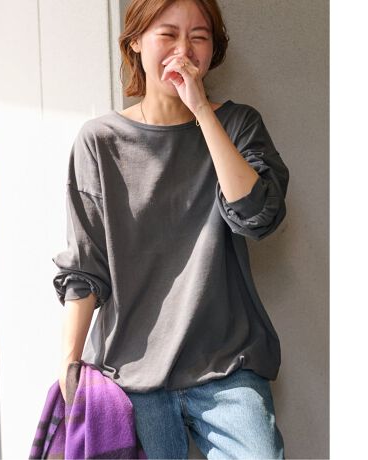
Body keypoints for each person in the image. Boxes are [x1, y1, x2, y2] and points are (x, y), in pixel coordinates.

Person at [53, 0, 289, 458]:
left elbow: (257, 216)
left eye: (199, 37)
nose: (184, 50)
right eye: (168, 34)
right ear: (135, 43)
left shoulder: (238, 124)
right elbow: (85, 266)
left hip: (227, 367)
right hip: (131, 374)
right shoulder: (98, 141)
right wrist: (69, 361)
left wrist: (201, 110)